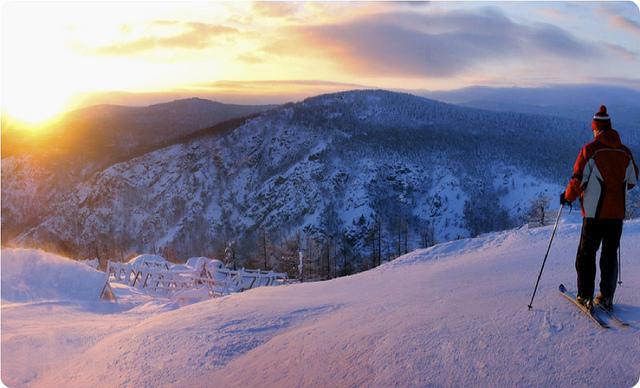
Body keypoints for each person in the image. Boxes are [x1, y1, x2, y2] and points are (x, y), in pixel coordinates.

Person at [560, 105, 638, 311]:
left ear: (597, 128)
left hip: (594, 214)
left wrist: (567, 197)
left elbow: (578, 179)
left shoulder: (591, 150)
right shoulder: (625, 152)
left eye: (594, 128)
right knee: (609, 255)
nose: (593, 131)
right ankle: (606, 296)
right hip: (617, 214)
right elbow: (632, 181)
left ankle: (585, 296)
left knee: (586, 255)